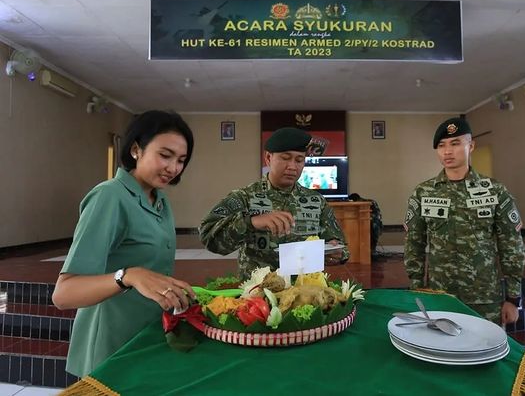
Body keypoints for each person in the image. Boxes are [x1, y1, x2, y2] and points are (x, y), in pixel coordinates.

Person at [52, 110, 196, 377]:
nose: (173, 167)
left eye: (181, 160)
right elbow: (64, 294)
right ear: (135, 150)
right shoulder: (110, 197)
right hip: (110, 344)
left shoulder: (159, 201)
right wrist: (128, 276)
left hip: (144, 335)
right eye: (165, 155)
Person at [403, 117, 525, 325]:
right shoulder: (423, 192)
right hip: (439, 296)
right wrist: (417, 288)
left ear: (471, 146)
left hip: (485, 298)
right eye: (441, 146)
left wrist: (513, 298)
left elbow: (511, 246)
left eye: (455, 143)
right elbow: (414, 244)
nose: (447, 151)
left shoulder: (494, 190)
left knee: (485, 351)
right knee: (442, 350)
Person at [199, 127, 349, 280]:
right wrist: (250, 222)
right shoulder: (245, 197)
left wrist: (336, 253)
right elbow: (209, 238)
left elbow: (339, 245)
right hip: (257, 293)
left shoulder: (316, 201)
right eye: (285, 158)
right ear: (268, 158)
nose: (292, 166)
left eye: (299, 160)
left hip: (304, 292)